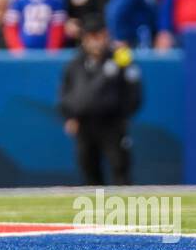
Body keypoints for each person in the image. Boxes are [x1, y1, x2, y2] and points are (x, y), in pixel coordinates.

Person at [59, 14, 143, 185]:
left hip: (112, 123)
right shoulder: (75, 64)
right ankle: (95, 211)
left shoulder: (120, 59)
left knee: (120, 168)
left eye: (100, 35)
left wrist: (122, 115)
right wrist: (70, 116)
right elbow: (65, 93)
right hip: (84, 125)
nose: (96, 41)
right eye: (92, 36)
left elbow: (133, 92)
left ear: (106, 35)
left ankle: (122, 210)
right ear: (85, 39)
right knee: (89, 171)